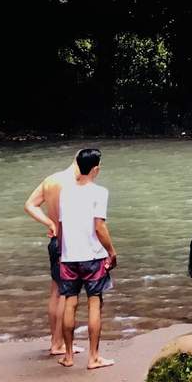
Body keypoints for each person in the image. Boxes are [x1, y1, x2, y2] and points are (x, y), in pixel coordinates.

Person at [57, 147, 118, 370]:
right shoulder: (99, 192)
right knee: (95, 304)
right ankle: (93, 358)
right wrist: (111, 251)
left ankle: (69, 356)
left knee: (70, 303)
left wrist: (62, 251)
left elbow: (61, 226)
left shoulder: (65, 191)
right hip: (92, 256)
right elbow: (99, 226)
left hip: (68, 255)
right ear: (96, 169)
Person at [24, 153, 80, 357]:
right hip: (70, 242)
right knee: (66, 293)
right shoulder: (75, 184)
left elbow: (29, 205)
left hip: (55, 240)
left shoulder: (51, 180)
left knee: (56, 292)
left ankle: (55, 341)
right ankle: (60, 344)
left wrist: (49, 222)